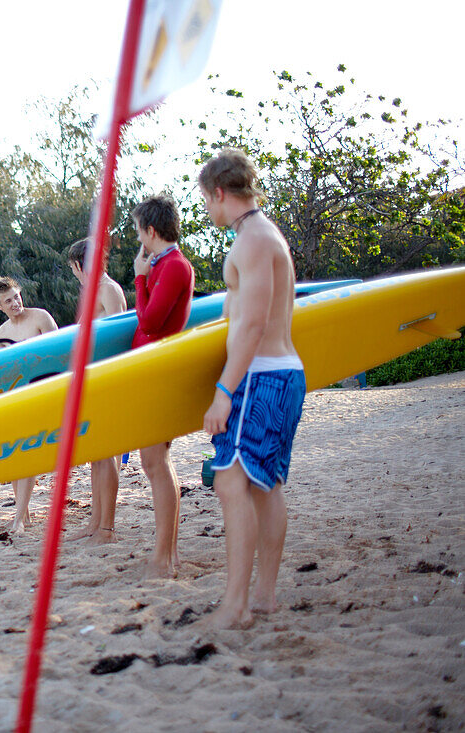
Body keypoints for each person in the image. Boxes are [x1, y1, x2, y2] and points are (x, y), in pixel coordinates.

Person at [199, 148, 305, 629]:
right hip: (280, 372)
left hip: (260, 374)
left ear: (220, 192)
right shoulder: (266, 235)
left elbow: (253, 324)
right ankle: (262, 598)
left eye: (206, 200)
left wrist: (224, 391)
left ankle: (236, 606)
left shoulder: (253, 241)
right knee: (265, 486)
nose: (206, 210)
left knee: (230, 481)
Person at [130, 194, 195, 579]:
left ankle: (165, 556)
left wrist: (139, 277)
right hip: (149, 371)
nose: (139, 237)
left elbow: (151, 322)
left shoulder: (173, 266)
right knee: (153, 462)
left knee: (157, 462)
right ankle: (165, 554)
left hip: (159, 373)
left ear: (150, 231)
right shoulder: (164, 264)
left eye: (139, 230)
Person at [62, 238, 128, 545]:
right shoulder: (94, 290)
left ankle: (107, 529)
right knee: (96, 456)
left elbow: (118, 334)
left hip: (106, 377)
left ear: (78, 265)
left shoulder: (107, 289)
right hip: (92, 376)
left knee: (106, 455)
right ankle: (95, 521)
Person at [0, 276, 59, 533]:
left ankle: (18, 518)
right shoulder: (1, 334)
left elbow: (60, 353)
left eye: (16, 296)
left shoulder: (40, 317)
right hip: (17, 397)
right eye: (8, 301)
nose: (15, 303)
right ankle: (23, 515)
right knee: (15, 453)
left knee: (28, 453)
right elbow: (2, 372)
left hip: (44, 392)